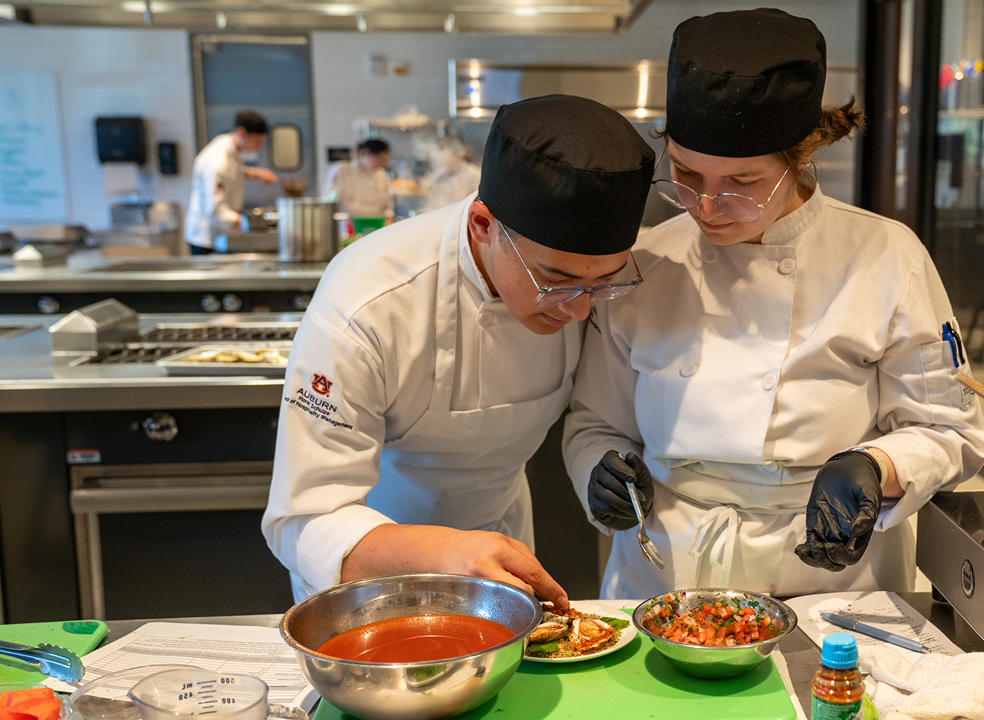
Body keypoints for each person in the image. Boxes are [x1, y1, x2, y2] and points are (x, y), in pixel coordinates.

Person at [562, 9, 984, 600]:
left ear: (801, 155)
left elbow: (950, 431)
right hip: (664, 572)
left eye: (740, 183)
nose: (707, 206)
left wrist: (877, 466)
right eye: (686, 175)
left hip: (829, 582)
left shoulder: (886, 256)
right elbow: (594, 423)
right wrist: (599, 470)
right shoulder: (644, 263)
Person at [262, 94, 655, 604]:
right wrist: (444, 555)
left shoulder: (584, 289)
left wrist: (604, 474)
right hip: (367, 565)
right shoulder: (368, 303)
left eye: (603, 283)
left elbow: (597, 413)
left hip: (502, 547)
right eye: (554, 281)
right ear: (483, 226)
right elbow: (303, 519)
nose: (579, 311)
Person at [184, 110, 278, 255]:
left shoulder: (230, 145)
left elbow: (233, 171)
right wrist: (253, 223)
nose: (259, 146)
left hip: (220, 234)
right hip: (207, 239)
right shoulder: (217, 162)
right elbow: (216, 212)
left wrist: (256, 174)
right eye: (257, 140)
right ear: (241, 132)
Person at [323, 138, 394, 220]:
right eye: (380, 160)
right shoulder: (341, 171)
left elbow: (388, 206)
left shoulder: (381, 174)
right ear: (366, 153)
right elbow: (330, 201)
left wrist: (388, 219)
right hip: (349, 226)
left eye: (385, 161)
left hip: (377, 226)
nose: (383, 165)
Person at [424, 143, 483, 213]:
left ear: (456, 155)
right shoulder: (439, 175)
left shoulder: (474, 174)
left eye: (447, 159)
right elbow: (432, 200)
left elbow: (478, 202)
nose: (445, 163)